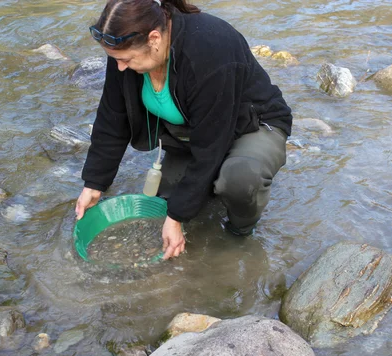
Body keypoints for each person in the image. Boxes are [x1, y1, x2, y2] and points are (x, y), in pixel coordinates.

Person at [75, 0, 292, 260]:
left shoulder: (208, 51)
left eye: (126, 60)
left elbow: (211, 145)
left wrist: (176, 217)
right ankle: (208, 190)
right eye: (116, 60)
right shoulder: (123, 51)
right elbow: (112, 118)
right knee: (165, 201)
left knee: (238, 181)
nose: (120, 67)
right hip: (194, 132)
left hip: (251, 125)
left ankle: (239, 233)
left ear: (154, 38)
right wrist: (94, 183)